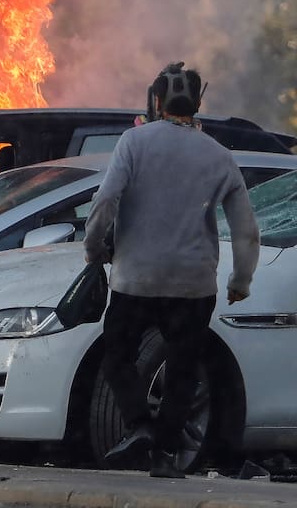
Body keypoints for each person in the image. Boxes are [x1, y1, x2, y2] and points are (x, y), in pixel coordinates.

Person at [83, 63, 260, 479]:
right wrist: (240, 280)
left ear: (157, 100)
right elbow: (246, 230)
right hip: (193, 283)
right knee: (182, 369)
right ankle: (164, 456)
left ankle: (140, 424)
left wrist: (93, 249)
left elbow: (106, 200)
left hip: (136, 278)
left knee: (117, 356)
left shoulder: (133, 142)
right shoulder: (219, 155)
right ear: (198, 102)